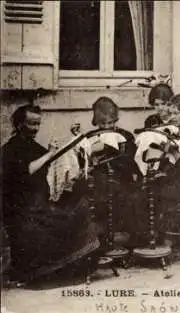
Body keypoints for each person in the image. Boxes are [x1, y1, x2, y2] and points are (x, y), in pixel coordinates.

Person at [1, 105, 100, 283]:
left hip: (37, 203)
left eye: (38, 124)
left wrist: (59, 151)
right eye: (31, 124)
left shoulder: (31, 145)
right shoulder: (10, 149)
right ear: (19, 124)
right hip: (23, 210)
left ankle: (75, 264)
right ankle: (50, 269)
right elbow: (27, 169)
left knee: (79, 207)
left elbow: (48, 161)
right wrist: (49, 155)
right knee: (66, 219)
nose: (36, 129)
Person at [138, 93, 180, 245]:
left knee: (154, 193)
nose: (173, 117)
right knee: (143, 190)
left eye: (177, 113)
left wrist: (174, 152)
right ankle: (150, 239)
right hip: (174, 182)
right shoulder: (172, 134)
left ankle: (165, 240)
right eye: (171, 113)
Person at [88, 97, 140, 241]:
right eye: (102, 123)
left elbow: (131, 162)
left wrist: (110, 151)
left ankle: (116, 233)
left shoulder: (126, 136)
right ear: (96, 122)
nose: (106, 126)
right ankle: (100, 235)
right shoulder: (90, 137)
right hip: (98, 180)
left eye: (110, 122)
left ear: (115, 120)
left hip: (121, 179)